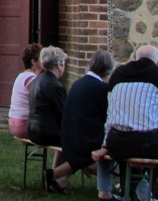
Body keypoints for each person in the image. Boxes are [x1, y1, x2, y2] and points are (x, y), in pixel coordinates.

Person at [99, 44, 158, 201]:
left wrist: (106, 142)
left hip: (117, 143)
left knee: (131, 146)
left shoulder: (117, 75)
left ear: (135, 58)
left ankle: (129, 192)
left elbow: (110, 113)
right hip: (149, 144)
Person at [60, 49, 148, 201]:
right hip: (86, 141)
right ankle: (136, 194)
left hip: (70, 137)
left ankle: (57, 175)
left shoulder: (77, 83)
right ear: (109, 70)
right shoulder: (102, 89)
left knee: (112, 143)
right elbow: (113, 116)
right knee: (117, 144)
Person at [27, 46, 71, 193]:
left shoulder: (38, 79)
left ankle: (58, 181)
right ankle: (57, 177)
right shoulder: (55, 85)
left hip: (33, 129)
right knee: (79, 143)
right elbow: (63, 115)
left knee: (69, 140)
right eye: (63, 63)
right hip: (46, 132)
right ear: (59, 65)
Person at [8, 42, 43, 139]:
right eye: (42, 59)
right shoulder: (31, 79)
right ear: (34, 62)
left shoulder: (21, 76)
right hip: (23, 124)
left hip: (13, 122)